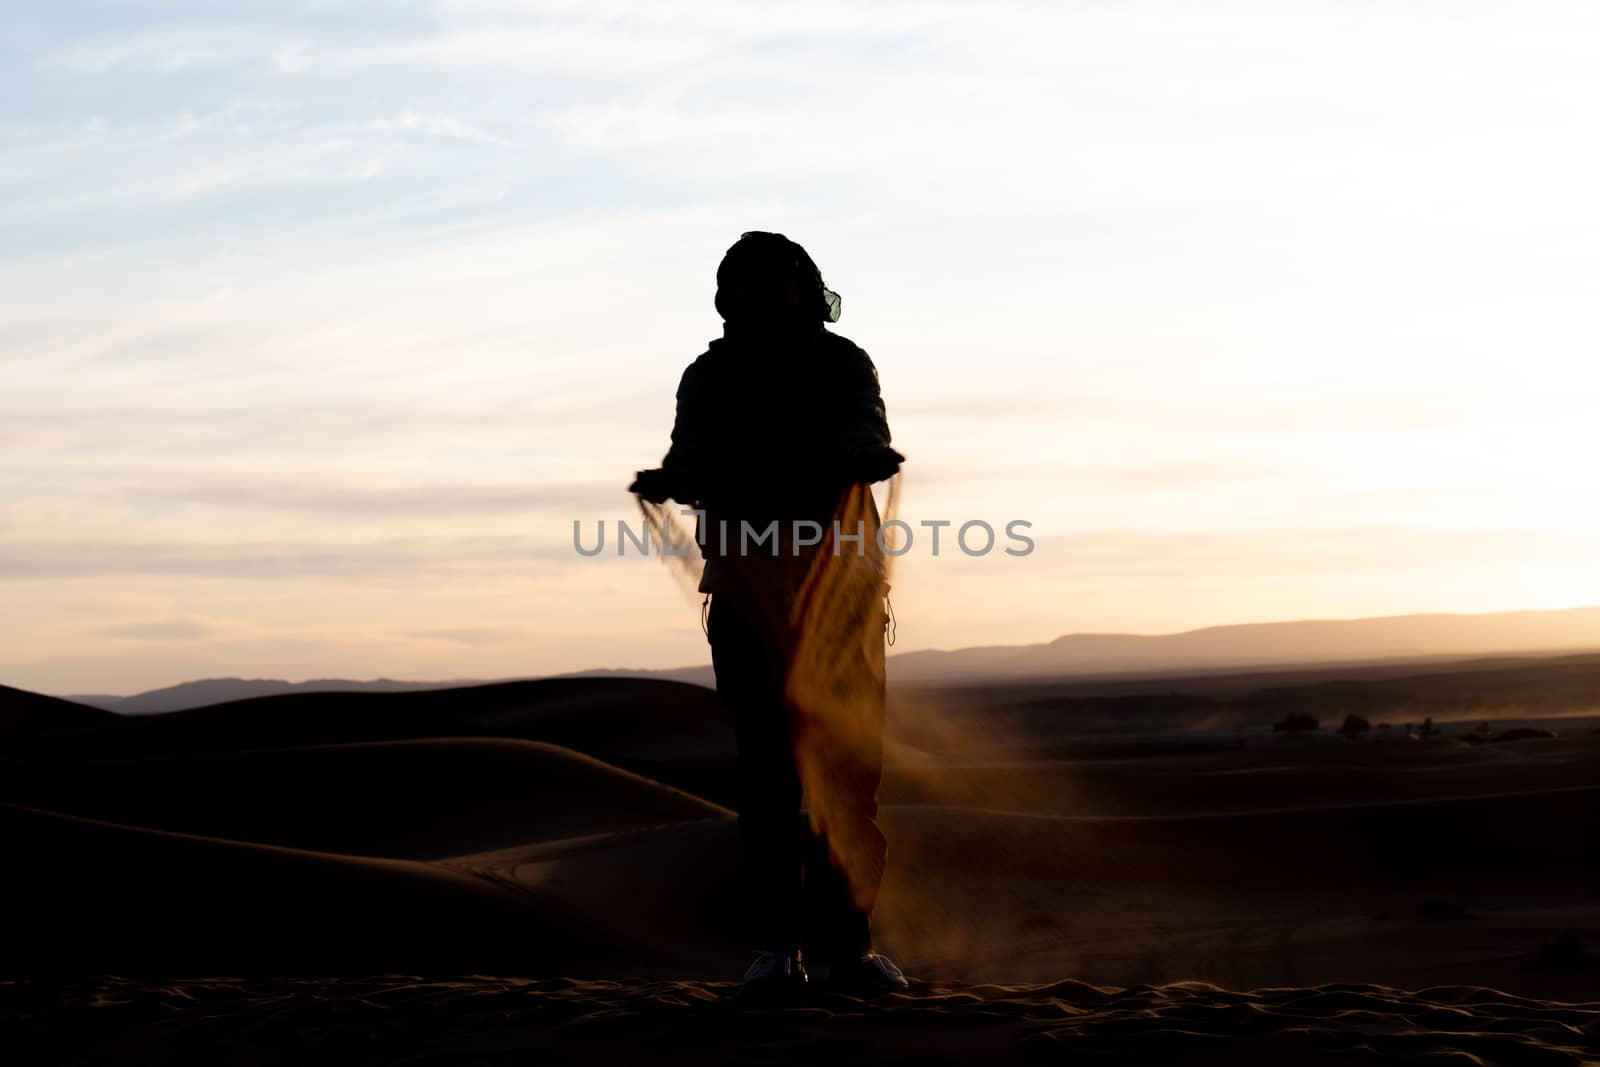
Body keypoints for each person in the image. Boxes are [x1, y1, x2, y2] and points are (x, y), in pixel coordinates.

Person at [630, 231, 909, 997]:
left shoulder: (842, 361)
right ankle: (774, 950)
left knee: (850, 780)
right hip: (747, 601)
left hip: (843, 605)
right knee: (768, 781)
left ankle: (848, 950)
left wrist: (866, 455)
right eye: (741, 281)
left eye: (771, 279)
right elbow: (693, 451)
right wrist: (672, 476)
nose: (756, 293)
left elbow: (862, 423)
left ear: (802, 285)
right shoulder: (710, 373)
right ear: (727, 294)